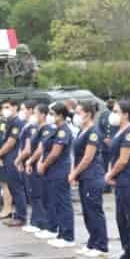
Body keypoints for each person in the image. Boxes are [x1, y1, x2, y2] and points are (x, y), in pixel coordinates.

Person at [104, 100, 130, 259]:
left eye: (116, 111)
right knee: (121, 218)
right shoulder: (119, 131)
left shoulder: (129, 132)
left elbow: (123, 160)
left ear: (126, 114)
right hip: (121, 180)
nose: (113, 114)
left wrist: (109, 175)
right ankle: (127, 250)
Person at [69, 100, 108, 258]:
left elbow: (87, 158)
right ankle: (92, 241)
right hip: (85, 177)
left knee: (94, 211)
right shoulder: (82, 131)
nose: (76, 116)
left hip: (92, 175)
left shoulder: (93, 132)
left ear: (88, 114)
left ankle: (101, 245)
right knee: (87, 211)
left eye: (79, 112)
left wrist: (73, 173)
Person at [37, 102, 76, 248]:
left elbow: (55, 152)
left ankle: (67, 235)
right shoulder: (55, 129)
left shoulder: (63, 131)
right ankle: (60, 232)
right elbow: (45, 148)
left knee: (63, 203)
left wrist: (44, 164)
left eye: (52, 114)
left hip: (59, 170)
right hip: (51, 171)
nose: (49, 116)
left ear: (60, 115)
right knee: (54, 202)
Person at [0, 100, 27, 227]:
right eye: (3, 107)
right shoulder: (8, 122)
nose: (4, 110)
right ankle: (17, 215)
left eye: (7, 107)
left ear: (15, 107)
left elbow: (11, 142)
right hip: (8, 158)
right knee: (12, 188)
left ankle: (21, 216)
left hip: (13, 157)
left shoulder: (17, 123)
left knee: (17, 188)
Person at [26, 103, 58, 239]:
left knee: (43, 196)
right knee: (37, 195)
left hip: (41, 165)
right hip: (36, 165)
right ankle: (38, 222)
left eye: (37, 113)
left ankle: (45, 224)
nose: (35, 116)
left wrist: (32, 161)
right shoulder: (39, 128)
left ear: (43, 115)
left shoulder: (47, 129)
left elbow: (41, 149)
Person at [15, 103, 43, 233]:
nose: (22, 112)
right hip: (27, 162)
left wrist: (19, 160)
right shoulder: (27, 125)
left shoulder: (32, 127)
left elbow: (28, 149)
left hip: (31, 163)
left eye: (23, 109)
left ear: (30, 110)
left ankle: (38, 222)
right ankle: (35, 221)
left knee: (35, 194)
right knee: (31, 193)